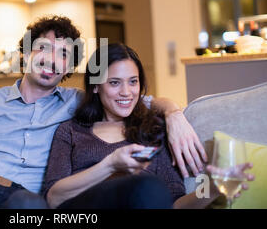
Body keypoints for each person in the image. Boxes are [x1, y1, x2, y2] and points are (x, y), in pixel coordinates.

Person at [0, 16, 208, 209]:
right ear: (25, 54)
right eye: (43, 48)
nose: (51, 60)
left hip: (23, 198)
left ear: (69, 68)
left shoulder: (75, 104)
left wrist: (174, 114)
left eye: (63, 54)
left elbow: (130, 97)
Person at [43, 43, 254, 209]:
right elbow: (54, 199)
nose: (127, 92)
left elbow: (175, 204)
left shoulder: (152, 131)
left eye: (133, 81)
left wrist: (213, 189)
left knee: (151, 190)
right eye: (115, 83)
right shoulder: (71, 131)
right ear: (96, 86)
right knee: (147, 186)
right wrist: (111, 165)